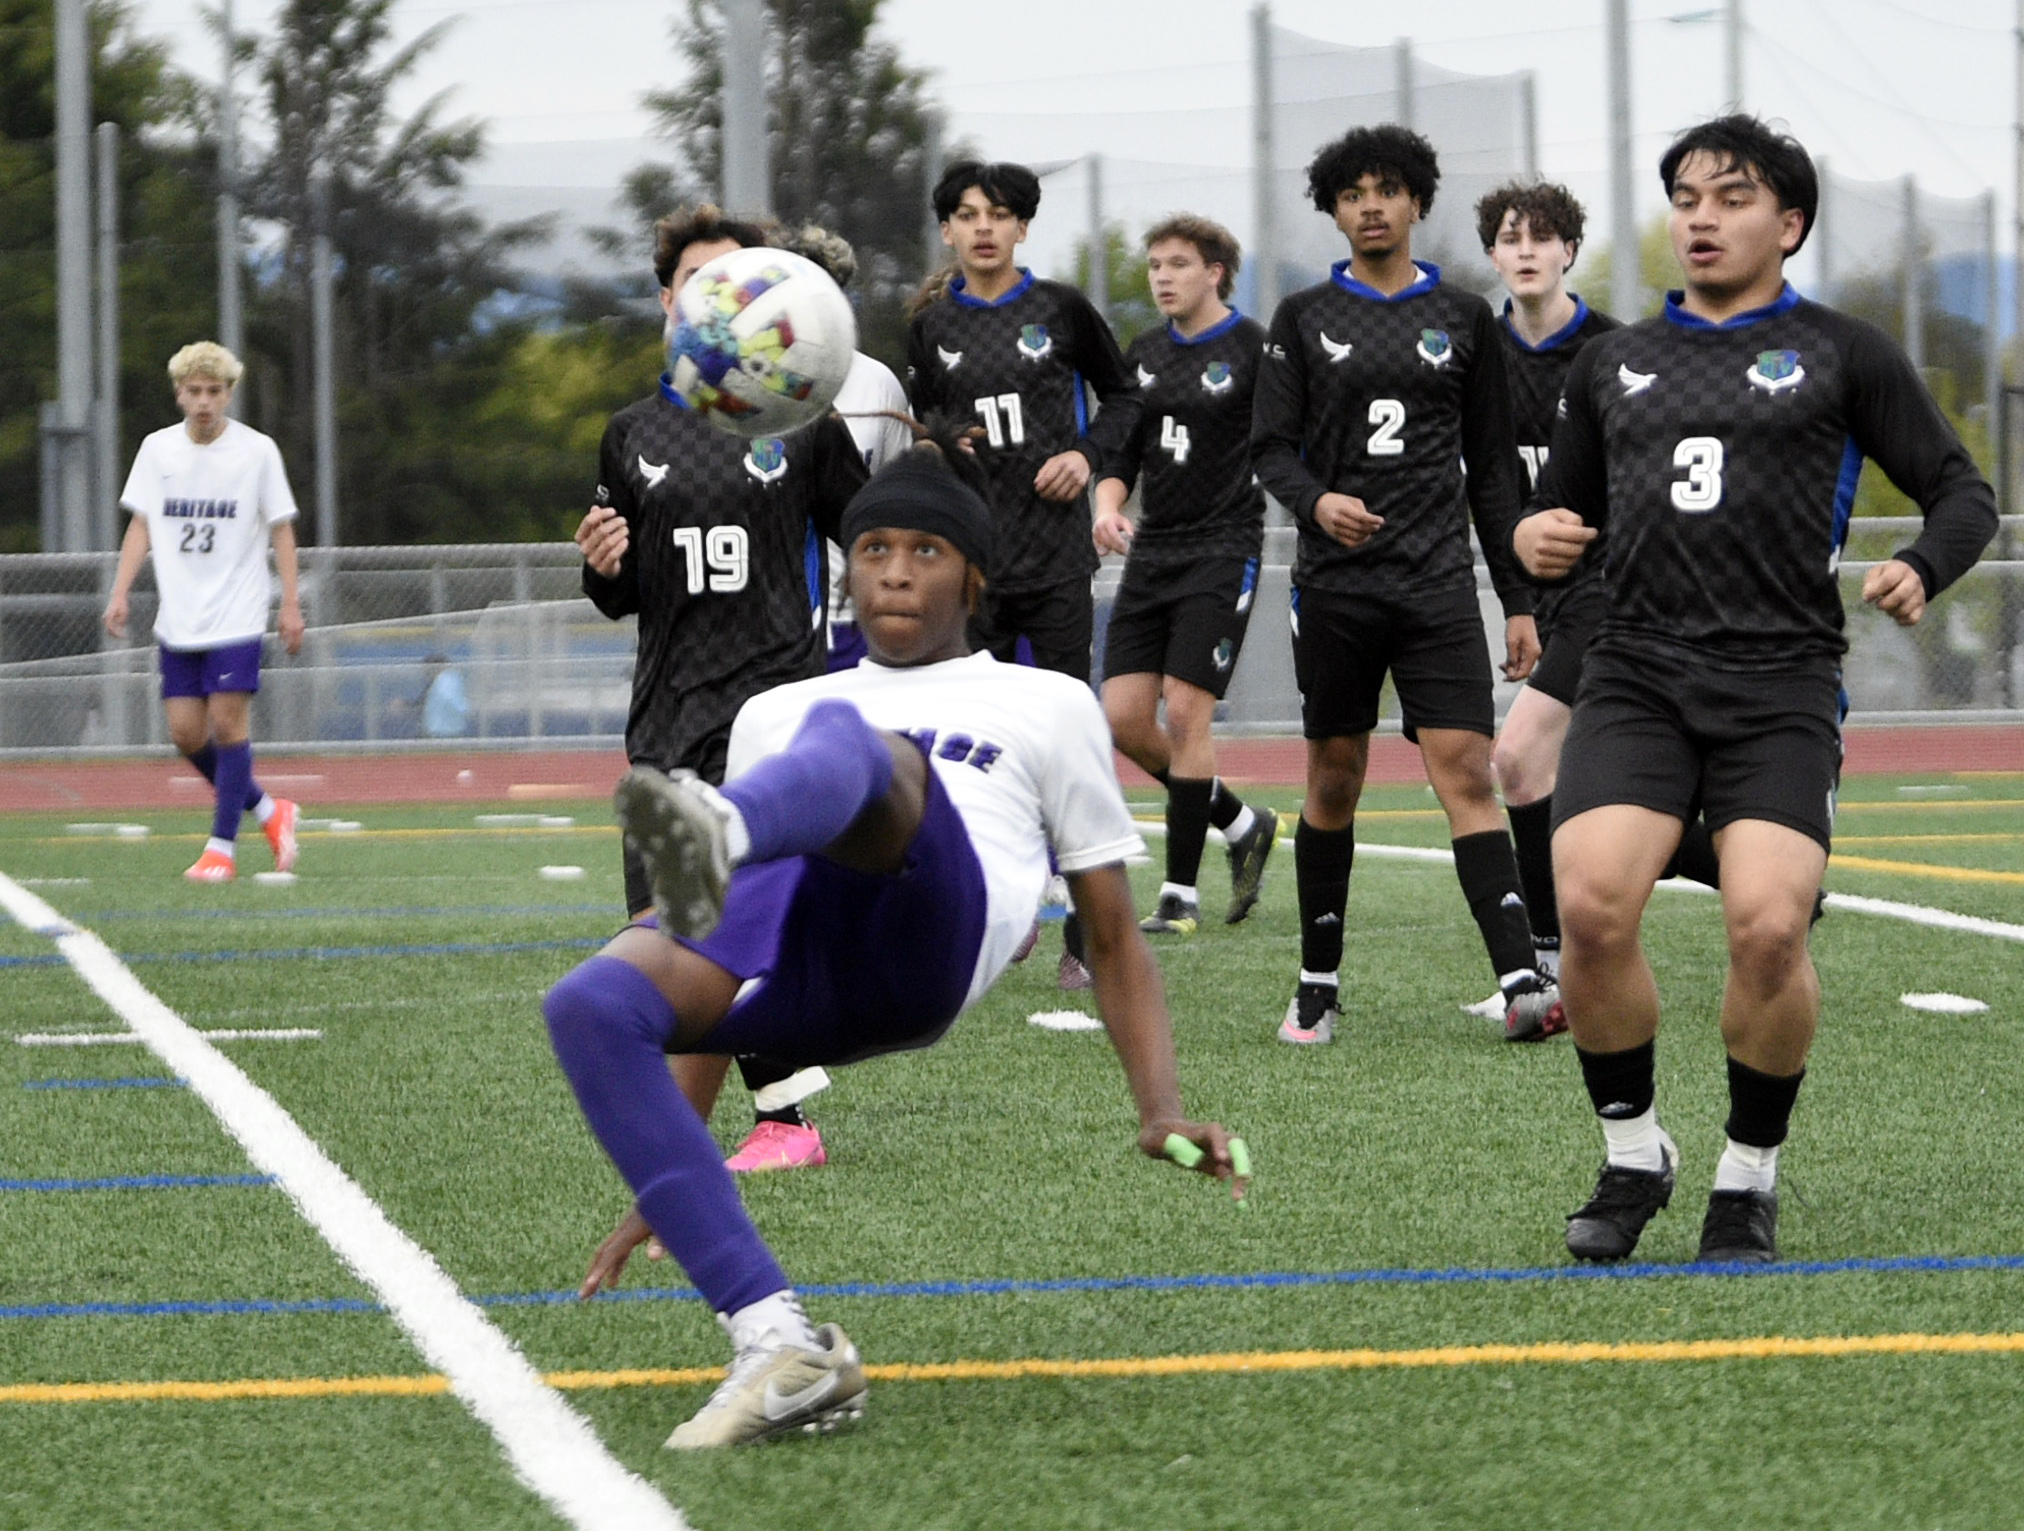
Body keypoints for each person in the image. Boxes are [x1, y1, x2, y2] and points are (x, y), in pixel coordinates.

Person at [544, 424, 1243, 1449]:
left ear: (974, 574)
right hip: (797, 960)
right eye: (873, 551)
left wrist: (1158, 1109)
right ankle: (780, 1345)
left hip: (930, 940)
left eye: (925, 551)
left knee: (861, 746)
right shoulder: (775, 711)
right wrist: (671, 1163)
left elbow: (1112, 933)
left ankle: (718, 822)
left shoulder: (1044, 701)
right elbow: (710, 952)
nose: (894, 575)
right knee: (591, 1004)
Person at [1514, 115, 1996, 1266]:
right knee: (1586, 910)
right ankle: (1633, 1154)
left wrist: (1920, 566)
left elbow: (1960, 493)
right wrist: (1533, 535)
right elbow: (1562, 520)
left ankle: (1746, 1175)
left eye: (1728, 197)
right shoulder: (1609, 360)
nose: (1698, 215)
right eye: (1684, 196)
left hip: (1777, 680)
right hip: (1634, 671)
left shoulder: (1843, 352)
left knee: (1769, 929)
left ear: (1785, 223)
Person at [576, 205, 868, 1173]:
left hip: (771, 708)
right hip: (667, 709)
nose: (720, 302)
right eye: (700, 284)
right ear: (668, 303)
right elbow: (618, 594)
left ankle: (779, 1121)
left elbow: (869, 540)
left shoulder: (800, 423)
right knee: (656, 929)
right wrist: (602, 563)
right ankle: (769, 1108)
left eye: (737, 285)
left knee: (728, 923)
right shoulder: (629, 434)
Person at [1250, 124, 1551, 1047]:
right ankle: (1317, 983)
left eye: (1387, 189)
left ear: (1418, 201)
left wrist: (1521, 597)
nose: (1370, 205)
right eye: (1352, 193)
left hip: (1435, 586)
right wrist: (1317, 502)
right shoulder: (1302, 317)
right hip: (1336, 587)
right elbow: (1268, 448)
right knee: (1333, 778)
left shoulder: (1465, 318)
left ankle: (1519, 982)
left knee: (1466, 769)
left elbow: (1495, 472)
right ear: (1333, 210)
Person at [906, 160, 1142, 990]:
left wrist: (1084, 455)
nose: (983, 228)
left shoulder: (1063, 310)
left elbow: (1125, 400)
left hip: (1055, 563)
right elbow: (924, 433)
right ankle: (1002, 912)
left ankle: (1087, 930)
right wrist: (940, 450)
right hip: (976, 568)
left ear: (1022, 228)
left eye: (999, 215)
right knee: (976, 743)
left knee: (1067, 737)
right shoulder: (932, 328)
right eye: (967, 215)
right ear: (947, 231)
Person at [1092, 215, 1277, 934]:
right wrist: (1106, 510)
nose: (1163, 276)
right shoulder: (1141, 354)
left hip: (1223, 546)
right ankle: (1239, 822)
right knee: (1122, 718)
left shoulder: (1255, 348)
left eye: (1178, 263)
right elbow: (1118, 458)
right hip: (1154, 552)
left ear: (1216, 272)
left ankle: (1179, 896)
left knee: (1186, 709)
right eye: (1155, 265)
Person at [1475, 181, 1621, 1029]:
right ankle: (1756, 863)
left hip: (1616, 593)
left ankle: (1546, 962)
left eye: (1543, 236)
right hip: (1547, 602)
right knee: (1599, 790)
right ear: (1493, 254)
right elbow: (1492, 501)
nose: (1525, 249)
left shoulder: (1614, 351)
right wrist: (1518, 605)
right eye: (1509, 237)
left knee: (1519, 759)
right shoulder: (1474, 357)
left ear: (1569, 250)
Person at [103, 341, 303, 883]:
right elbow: (141, 524)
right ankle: (269, 809)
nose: (205, 402)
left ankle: (221, 849)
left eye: (214, 392)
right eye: (194, 392)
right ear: (179, 395)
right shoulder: (157, 450)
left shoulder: (257, 451)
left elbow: (281, 526)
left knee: (226, 722)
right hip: (180, 616)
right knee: (187, 734)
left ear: (229, 394)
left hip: (237, 613)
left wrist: (289, 602)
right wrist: (120, 591)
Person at [772, 223, 915, 672]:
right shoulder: (742, 388)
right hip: (765, 617)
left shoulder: (876, 384)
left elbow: (895, 502)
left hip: (851, 619)